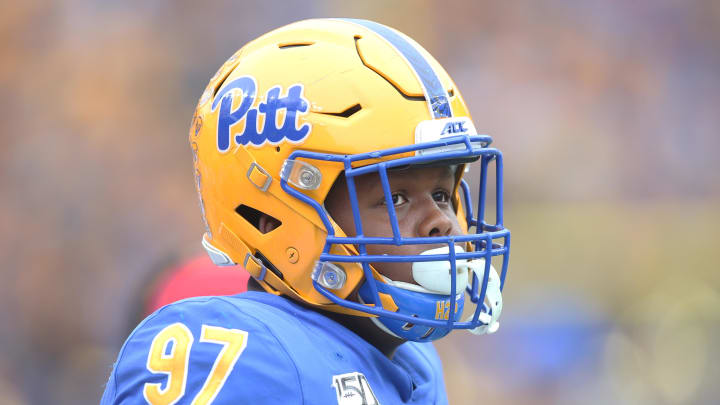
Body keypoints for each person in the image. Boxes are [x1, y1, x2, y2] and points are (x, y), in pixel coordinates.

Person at [101, 18, 510, 404]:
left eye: (441, 194)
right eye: (395, 198)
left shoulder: (416, 360)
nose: (441, 222)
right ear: (272, 220)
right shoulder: (242, 353)